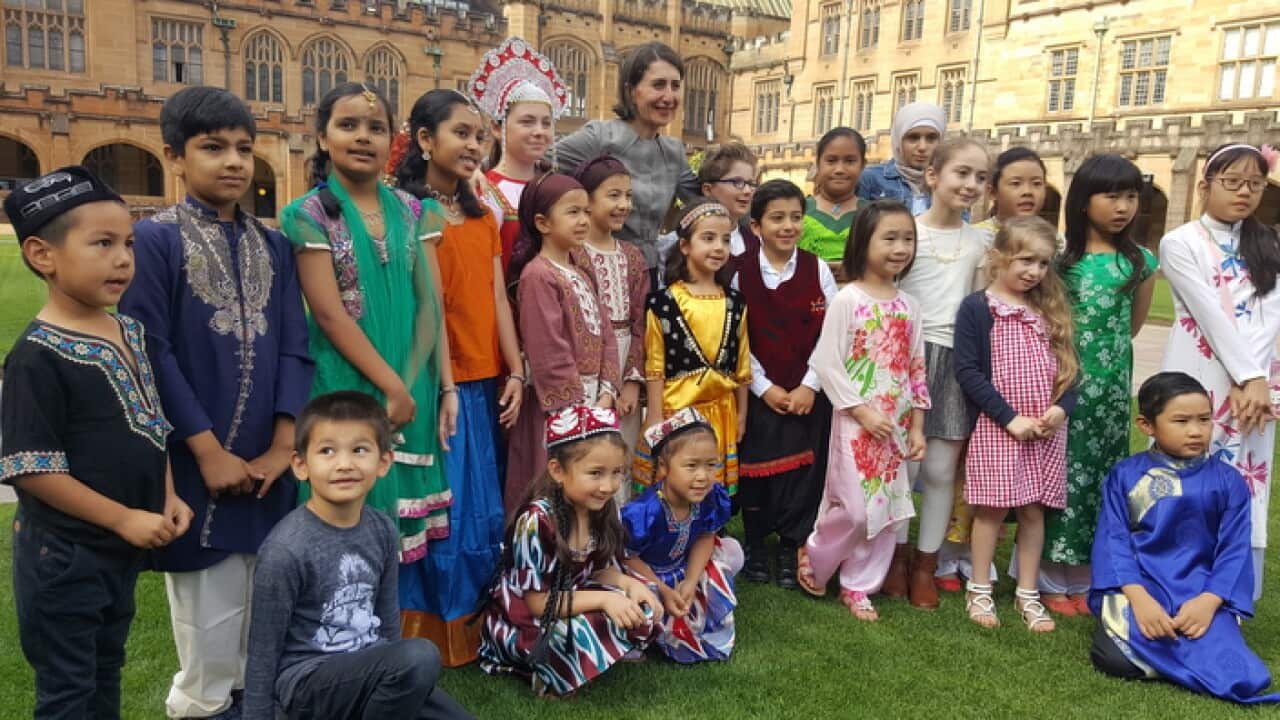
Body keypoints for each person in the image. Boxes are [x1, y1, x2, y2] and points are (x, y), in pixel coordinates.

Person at [117, 86, 314, 720]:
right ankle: (198, 707)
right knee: (208, 611)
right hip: (197, 464)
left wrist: (285, 445)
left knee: (267, 601)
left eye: (243, 148)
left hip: (269, 462)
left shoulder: (274, 245)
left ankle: (252, 705)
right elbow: (150, 351)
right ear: (174, 157)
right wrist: (205, 452)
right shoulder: (154, 241)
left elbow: (293, 345)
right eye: (213, 148)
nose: (233, 161)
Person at [2, 167, 194, 718]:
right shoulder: (38, 356)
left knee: (106, 670)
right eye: (103, 244)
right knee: (68, 693)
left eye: (129, 243)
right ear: (43, 255)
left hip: (119, 555)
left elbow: (151, 424)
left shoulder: (127, 330)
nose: (123, 259)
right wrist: (122, 519)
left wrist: (166, 495)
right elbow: (33, 468)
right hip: (64, 560)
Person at [280, 82, 454, 563]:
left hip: (410, 385)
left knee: (396, 534)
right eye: (348, 125)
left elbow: (429, 306)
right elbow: (331, 316)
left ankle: (389, 630)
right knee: (346, 518)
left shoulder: (416, 211)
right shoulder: (307, 215)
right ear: (322, 137)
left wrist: (414, 383)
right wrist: (389, 387)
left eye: (376, 128)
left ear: (391, 141)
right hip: (348, 383)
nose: (363, 137)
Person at [392, 89, 524, 663]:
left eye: (479, 135)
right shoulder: (406, 213)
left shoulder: (480, 215)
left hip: (483, 377)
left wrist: (516, 368)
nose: (474, 145)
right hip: (432, 382)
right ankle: (423, 630)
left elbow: (496, 295)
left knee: (481, 509)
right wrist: (444, 384)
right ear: (425, 141)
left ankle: (472, 627)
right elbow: (429, 307)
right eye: (460, 134)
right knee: (438, 508)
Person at [242, 391, 474, 719]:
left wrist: (403, 679)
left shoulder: (381, 529)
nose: (345, 464)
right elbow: (262, 653)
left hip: (371, 672)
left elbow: (388, 624)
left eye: (359, 450)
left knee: (423, 677)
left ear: (383, 462)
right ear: (301, 465)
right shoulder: (285, 550)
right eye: (327, 451)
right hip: (308, 683)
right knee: (421, 656)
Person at [1090, 372, 1280, 705]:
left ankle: (1166, 657)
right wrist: (1141, 600)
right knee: (1114, 660)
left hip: (1202, 589)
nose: (1196, 430)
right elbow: (1113, 542)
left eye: (1204, 420)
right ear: (1146, 425)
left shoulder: (1228, 481)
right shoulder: (1126, 475)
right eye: (1181, 420)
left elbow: (1234, 551)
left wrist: (1209, 603)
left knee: (1239, 673)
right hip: (1143, 586)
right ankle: (1176, 654)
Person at [795, 200, 929, 621]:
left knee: (884, 509)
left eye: (907, 238)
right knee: (854, 507)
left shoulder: (910, 306)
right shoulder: (847, 299)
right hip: (855, 421)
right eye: (889, 238)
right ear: (863, 242)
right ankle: (816, 555)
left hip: (897, 422)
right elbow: (826, 362)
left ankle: (858, 585)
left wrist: (919, 427)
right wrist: (860, 410)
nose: (900, 247)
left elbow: (916, 369)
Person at [1159, 143, 1280, 601]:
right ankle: (1178, 580)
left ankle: (1231, 593)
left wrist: (1257, 379)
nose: (1245, 192)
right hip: (1200, 370)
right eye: (1233, 182)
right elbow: (1209, 314)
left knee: (1248, 479)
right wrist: (1249, 374)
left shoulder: (1268, 241)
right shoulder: (1180, 242)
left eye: (1255, 183)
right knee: (1189, 467)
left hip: (1257, 385)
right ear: (1206, 185)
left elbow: (1271, 311)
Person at [1038, 154, 1156, 616]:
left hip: (1111, 392)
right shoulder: (1063, 260)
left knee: (1105, 477)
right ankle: (1049, 577)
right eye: (1112, 195)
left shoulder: (1141, 261)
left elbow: (1132, 327)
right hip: (1064, 384)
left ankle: (1089, 576)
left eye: (1131, 196)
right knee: (1062, 475)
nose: (1123, 206)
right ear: (1085, 201)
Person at [479, 405, 663, 696]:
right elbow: (538, 603)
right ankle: (545, 672)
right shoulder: (536, 521)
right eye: (595, 473)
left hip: (573, 595)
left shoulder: (601, 507)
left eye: (617, 473)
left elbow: (600, 569)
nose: (608, 485)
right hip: (527, 618)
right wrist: (604, 601)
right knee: (573, 633)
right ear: (557, 470)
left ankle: (591, 652)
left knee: (646, 596)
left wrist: (629, 584)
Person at [938, 145, 1056, 593]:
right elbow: (971, 352)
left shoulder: (1047, 290)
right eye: (1015, 182)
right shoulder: (979, 249)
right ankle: (958, 560)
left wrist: (1058, 405)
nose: (1027, 191)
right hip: (991, 394)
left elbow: (1064, 356)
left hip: (1038, 411)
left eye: (1036, 182)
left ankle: (1007, 577)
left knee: (1025, 499)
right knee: (971, 479)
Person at [954, 216, 1079, 633]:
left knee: (1032, 510)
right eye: (1026, 260)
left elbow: (1071, 371)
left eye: (1043, 264)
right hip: (999, 425)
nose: (1034, 272)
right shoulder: (978, 308)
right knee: (991, 509)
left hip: (1045, 429)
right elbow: (969, 372)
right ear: (998, 256)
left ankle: (1028, 591)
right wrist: (1009, 419)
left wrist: (1061, 408)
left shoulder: (1048, 309)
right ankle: (979, 585)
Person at [894, 137, 993, 609]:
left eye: (980, 177)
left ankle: (925, 564)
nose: (971, 184)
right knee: (902, 465)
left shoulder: (981, 240)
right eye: (962, 173)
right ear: (933, 176)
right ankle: (892, 557)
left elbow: (980, 306)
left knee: (938, 469)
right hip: (905, 359)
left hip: (956, 361)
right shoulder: (906, 232)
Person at [734, 179, 837, 588]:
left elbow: (833, 334)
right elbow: (735, 337)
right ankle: (757, 544)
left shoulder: (818, 269)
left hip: (808, 393)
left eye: (796, 217)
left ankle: (792, 545)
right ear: (756, 226)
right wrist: (763, 387)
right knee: (757, 472)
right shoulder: (739, 273)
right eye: (777, 218)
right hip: (760, 392)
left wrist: (810, 385)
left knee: (804, 473)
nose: (788, 226)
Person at [504, 173, 620, 515]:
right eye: (572, 212)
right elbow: (548, 352)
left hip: (594, 401)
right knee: (555, 487)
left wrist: (606, 392)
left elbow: (606, 333)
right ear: (542, 222)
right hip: (558, 411)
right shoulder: (538, 275)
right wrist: (574, 413)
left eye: (586, 211)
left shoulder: (580, 270)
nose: (584, 220)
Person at [552, 41, 701, 281]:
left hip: (650, 274)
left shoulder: (674, 151)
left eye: (675, 86)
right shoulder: (600, 137)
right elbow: (537, 159)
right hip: (597, 269)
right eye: (658, 85)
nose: (669, 96)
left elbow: (702, 204)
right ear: (632, 90)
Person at [635, 199, 751, 494]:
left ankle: (710, 538)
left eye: (725, 240)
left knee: (708, 488)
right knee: (676, 488)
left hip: (721, 411)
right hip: (678, 411)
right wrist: (655, 416)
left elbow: (742, 365)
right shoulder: (664, 302)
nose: (718, 247)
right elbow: (655, 365)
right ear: (685, 246)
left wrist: (741, 414)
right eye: (708, 238)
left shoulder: (734, 302)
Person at [622, 407, 743, 662]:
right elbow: (628, 558)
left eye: (711, 465)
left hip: (683, 568)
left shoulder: (710, 497)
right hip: (648, 576)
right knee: (635, 598)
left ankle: (694, 620)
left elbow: (704, 536)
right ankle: (635, 638)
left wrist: (690, 580)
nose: (703, 476)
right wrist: (663, 589)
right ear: (664, 467)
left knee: (731, 552)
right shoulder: (644, 511)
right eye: (691, 466)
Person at [571, 155, 649, 498]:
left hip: (626, 360)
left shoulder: (632, 256)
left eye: (628, 196)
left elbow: (640, 324)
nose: (623, 204)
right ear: (586, 200)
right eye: (613, 195)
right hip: (586, 365)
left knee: (622, 452)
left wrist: (631, 382)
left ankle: (619, 536)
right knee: (587, 452)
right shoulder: (573, 254)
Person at [467, 37, 569, 274]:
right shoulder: (484, 190)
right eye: (527, 122)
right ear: (496, 127)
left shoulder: (557, 188)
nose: (539, 132)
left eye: (546, 123)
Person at [657, 142, 761, 273]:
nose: (747, 190)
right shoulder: (673, 245)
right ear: (707, 189)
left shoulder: (759, 244)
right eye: (737, 182)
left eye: (751, 183)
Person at [857, 102, 945, 216]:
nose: (922, 147)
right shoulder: (870, 179)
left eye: (931, 138)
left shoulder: (950, 184)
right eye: (913, 138)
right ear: (898, 140)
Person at [799, 128, 869, 265]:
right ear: (818, 163)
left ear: (862, 165)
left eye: (850, 161)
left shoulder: (873, 215)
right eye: (831, 161)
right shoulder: (798, 211)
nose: (839, 170)